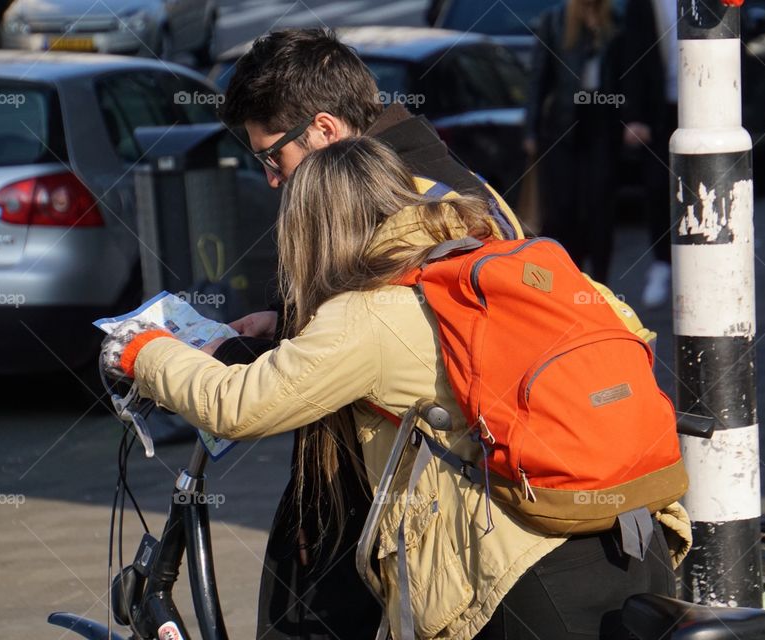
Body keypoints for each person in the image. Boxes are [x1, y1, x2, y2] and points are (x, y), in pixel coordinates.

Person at [101, 137, 692, 640]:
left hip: (521, 576)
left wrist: (142, 350)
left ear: (312, 233)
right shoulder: (518, 261)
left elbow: (236, 405)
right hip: (636, 538)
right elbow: (633, 333)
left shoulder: (370, 313)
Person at [213, 27, 658, 640]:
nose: (271, 179)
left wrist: (162, 356)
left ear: (322, 130)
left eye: (272, 156)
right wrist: (285, 322)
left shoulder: (401, 201)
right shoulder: (441, 178)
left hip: (414, 489)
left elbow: (387, 332)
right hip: (413, 482)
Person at [523, 0, 623, 284]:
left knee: (599, 207)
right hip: (563, 126)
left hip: (602, 123)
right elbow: (538, 79)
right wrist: (530, 130)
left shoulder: (612, 21)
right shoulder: (556, 21)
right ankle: (570, 276)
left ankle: (601, 279)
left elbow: (621, 73)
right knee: (562, 208)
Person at [620, 0, 679, 308]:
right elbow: (633, 53)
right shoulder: (643, 4)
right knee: (658, 188)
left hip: (704, 105)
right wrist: (634, 115)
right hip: (659, 109)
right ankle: (662, 263)